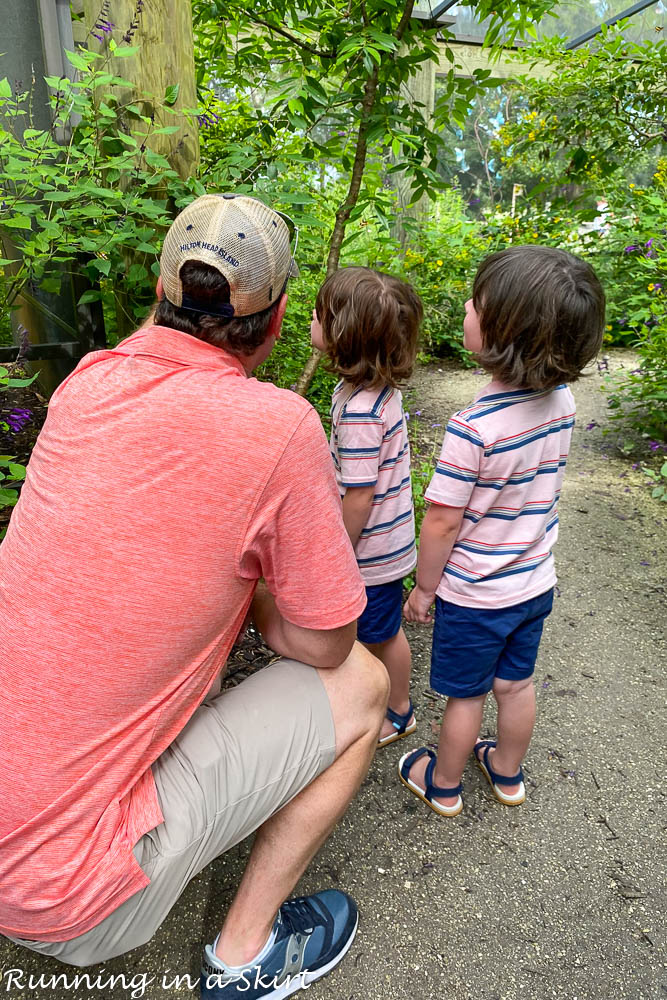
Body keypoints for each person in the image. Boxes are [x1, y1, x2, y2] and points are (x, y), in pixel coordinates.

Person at [0, 194, 390, 999]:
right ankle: (245, 956)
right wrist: (258, 597)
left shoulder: (87, 382)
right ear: (278, 318)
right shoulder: (279, 426)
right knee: (364, 684)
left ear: (158, 289)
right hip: (65, 904)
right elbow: (323, 645)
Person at [400, 245, 605, 817]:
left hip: (476, 593)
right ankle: (508, 774)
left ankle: (442, 783)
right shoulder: (563, 401)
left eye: (478, 303)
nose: (466, 305)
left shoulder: (474, 428)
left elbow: (442, 520)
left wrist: (423, 587)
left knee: (465, 695)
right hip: (534, 582)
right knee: (516, 685)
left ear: (506, 334)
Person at [310, 267, 423, 747]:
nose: (310, 321)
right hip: (387, 542)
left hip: (373, 553)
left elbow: (360, 494)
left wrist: (338, 549)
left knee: (381, 633)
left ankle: (399, 709)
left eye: (318, 315)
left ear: (342, 334)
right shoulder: (368, 393)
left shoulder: (359, 412)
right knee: (379, 628)